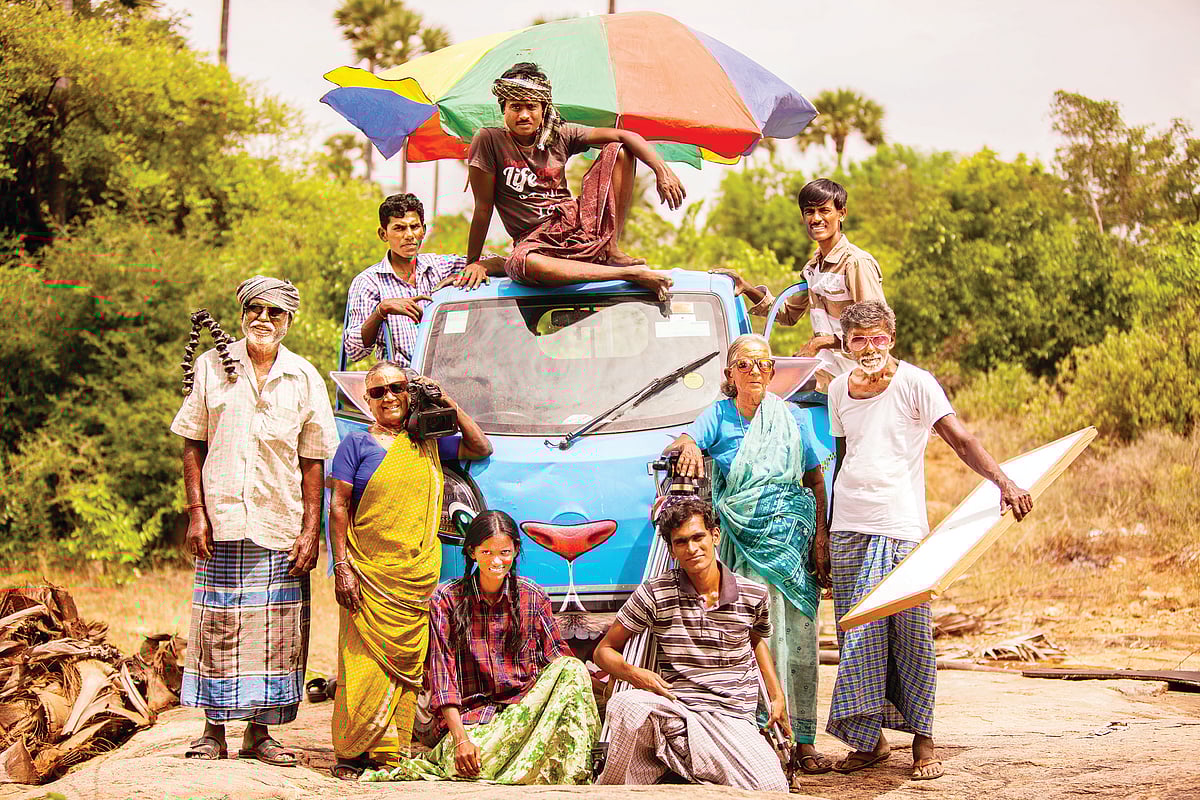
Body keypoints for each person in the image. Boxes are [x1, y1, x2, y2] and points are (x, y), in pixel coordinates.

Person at [825, 300, 1033, 781]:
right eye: (859, 339)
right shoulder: (838, 389)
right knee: (856, 636)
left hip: (900, 527)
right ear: (846, 344)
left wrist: (1005, 482)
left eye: (879, 338)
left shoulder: (916, 383)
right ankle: (869, 741)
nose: (870, 348)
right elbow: (842, 459)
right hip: (849, 528)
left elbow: (961, 441)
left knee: (911, 634)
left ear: (892, 339)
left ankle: (923, 742)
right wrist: (825, 535)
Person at [172, 276, 338, 766]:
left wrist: (312, 531)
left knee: (277, 630)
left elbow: (313, 461)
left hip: (280, 519)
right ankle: (212, 731)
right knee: (217, 624)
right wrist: (197, 513)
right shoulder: (212, 366)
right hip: (222, 518)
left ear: (289, 321)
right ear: (243, 313)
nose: (264, 319)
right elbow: (192, 443)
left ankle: (260, 734)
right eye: (256, 310)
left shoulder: (303, 376)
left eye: (275, 313)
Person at [662, 333, 833, 781]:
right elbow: (683, 442)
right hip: (741, 548)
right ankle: (756, 734)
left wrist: (820, 542)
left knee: (797, 641)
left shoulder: (791, 418)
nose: (755, 371)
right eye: (745, 365)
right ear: (730, 375)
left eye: (762, 365)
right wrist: (692, 446)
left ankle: (805, 739)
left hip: (791, 549)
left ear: (772, 373)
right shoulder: (717, 415)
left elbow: (815, 479)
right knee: (749, 637)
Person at [327, 361, 492, 780]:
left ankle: (388, 753)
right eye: (378, 392)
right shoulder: (355, 445)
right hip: (367, 572)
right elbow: (339, 506)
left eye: (396, 388)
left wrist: (446, 401)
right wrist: (342, 566)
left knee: (405, 664)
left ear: (408, 391)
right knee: (360, 661)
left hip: (415, 575)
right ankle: (351, 752)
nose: (388, 398)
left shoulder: (428, 442)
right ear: (367, 401)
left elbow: (480, 446)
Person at [360, 511, 600, 785]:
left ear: (516, 551)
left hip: (526, 714)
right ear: (472, 552)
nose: (496, 561)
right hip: (472, 723)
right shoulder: (446, 598)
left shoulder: (533, 596)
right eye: (486, 552)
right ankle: (523, 763)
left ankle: (546, 764)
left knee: (572, 669)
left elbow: (560, 662)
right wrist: (461, 740)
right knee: (474, 761)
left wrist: (606, 685)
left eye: (504, 552)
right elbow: (442, 678)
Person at [594, 497, 791, 792]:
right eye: (681, 542)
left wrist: (777, 695)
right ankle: (627, 787)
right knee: (626, 704)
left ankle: (685, 768)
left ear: (715, 535)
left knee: (771, 788)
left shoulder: (753, 594)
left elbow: (756, 641)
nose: (692, 548)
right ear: (672, 550)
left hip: (730, 714)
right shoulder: (655, 592)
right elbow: (603, 651)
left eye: (698, 537)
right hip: (677, 706)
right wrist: (637, 675)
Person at [465, 62, 684, 300]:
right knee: (521, 262)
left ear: (543, 109)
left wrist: (662, 171)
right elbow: (483, 207)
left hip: (577, 226)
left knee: (620, 149)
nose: (524, 115)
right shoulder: (488, 140)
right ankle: (629, 275)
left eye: (531, 107)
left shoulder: (560, 134)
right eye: (515, 107)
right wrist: (473, 262)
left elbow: (625, 135)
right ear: (503, 109)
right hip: (534, 242)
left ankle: (611, 249)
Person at [713, 178, 885, 384]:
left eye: (824, 210)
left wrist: (819, 343)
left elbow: (875, 329)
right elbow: (787, 315)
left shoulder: (856, 263)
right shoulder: (813, 268)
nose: (816, 218)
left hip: (864, 375)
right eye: (809, 212)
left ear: (842, 214)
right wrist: (747, 287)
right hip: (830, 374)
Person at [344, 193, 485, 366]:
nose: (409, 235)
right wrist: (381, 311)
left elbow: (502, 263)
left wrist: (477, 267)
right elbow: (353, 350)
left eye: (414, 227)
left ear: (423, 231)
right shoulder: (368, 282)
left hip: (447, 376)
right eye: (399, 228)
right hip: (402, 386)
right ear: (383, 234)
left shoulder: (440, 266)